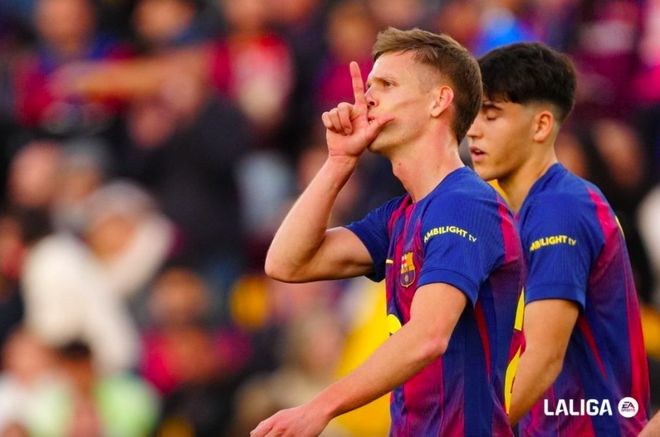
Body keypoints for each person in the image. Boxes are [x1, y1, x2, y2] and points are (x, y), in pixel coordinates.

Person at [251, 27, 524, 437]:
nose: (367, 100)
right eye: (369, 87)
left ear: (439, 101)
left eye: (387, 85)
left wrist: (320, 407)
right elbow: (286, 263)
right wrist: (339, 161)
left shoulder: (467, 203)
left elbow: (429, 335)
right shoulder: (400, 216)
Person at [467, 42, 650, 435]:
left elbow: (543, 358)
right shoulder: (529, 209)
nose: (473, 130)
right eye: (474, 115)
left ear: (541, 126)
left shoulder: (559, 210)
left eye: (491, 115)